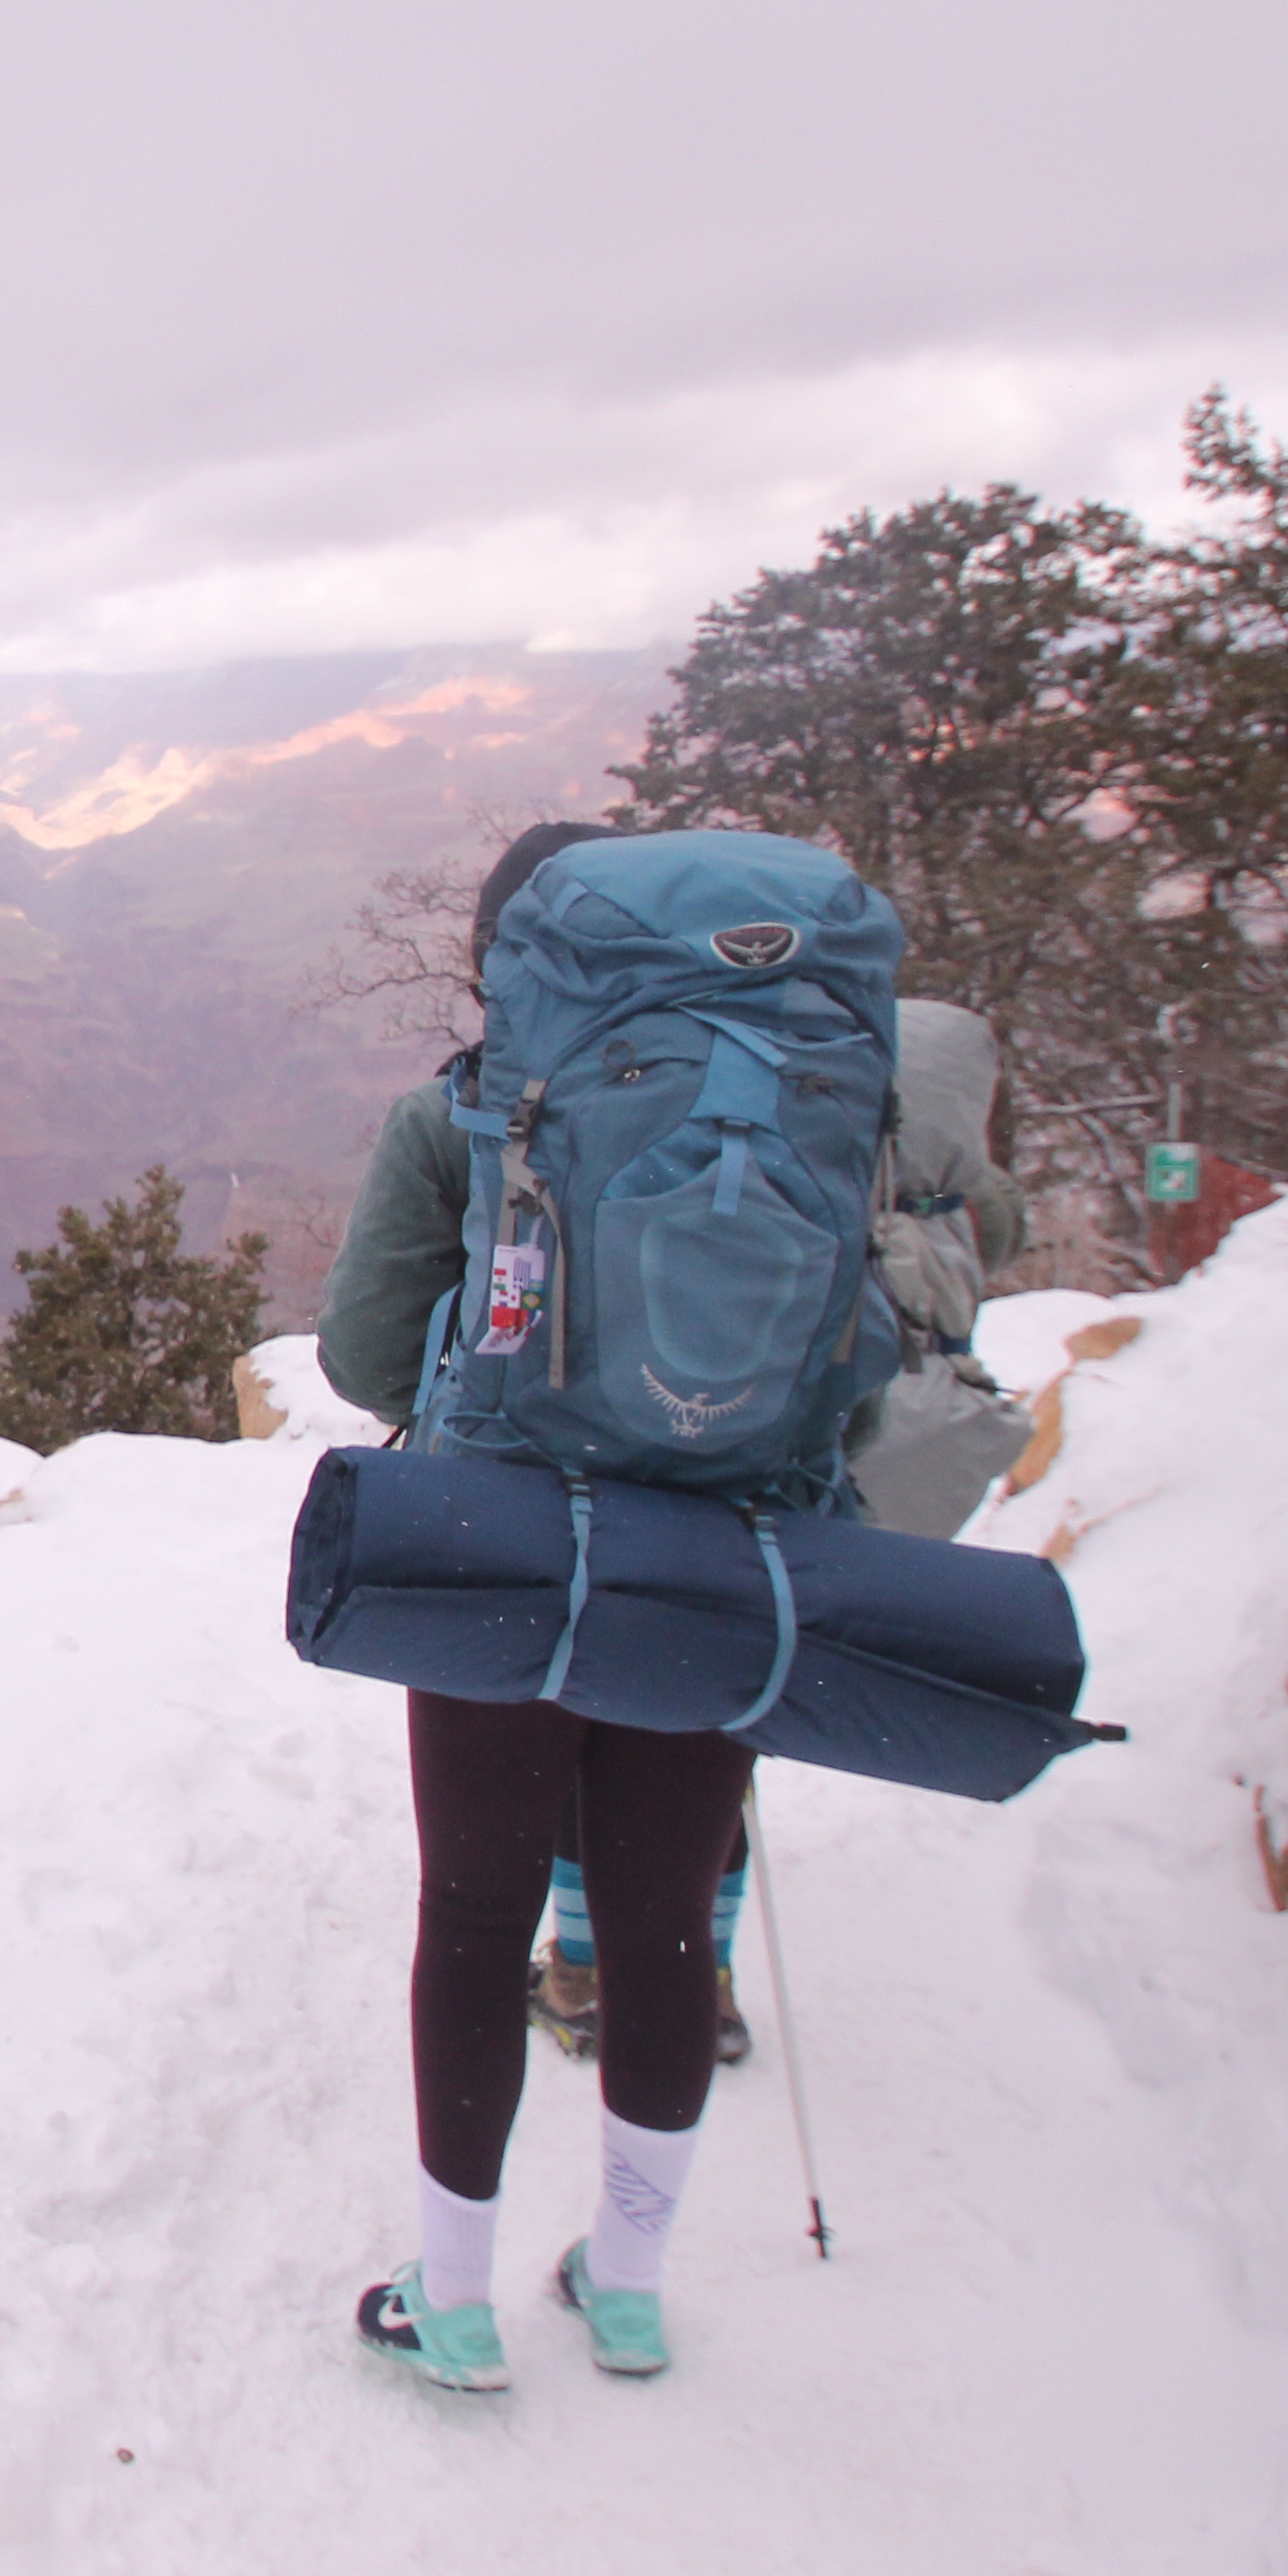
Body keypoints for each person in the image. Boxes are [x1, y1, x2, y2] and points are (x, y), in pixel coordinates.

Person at [311, 819, 899, 2392]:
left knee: (474, 1916)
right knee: (653, 1926)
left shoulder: (459, 1118)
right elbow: (854, 1370)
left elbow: (363, 1360)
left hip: (501, 1551)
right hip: (714, 1562)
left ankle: (451, 2301)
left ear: (509, 965)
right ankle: (624, 2287)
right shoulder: (808, 1097)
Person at [520, 989, 1030, 2066]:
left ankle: (579, 1968)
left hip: (670, 1437)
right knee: (719, 1727)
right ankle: (702, 1977)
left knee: (596, 1709)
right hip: (803, 1469)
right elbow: (1006, 1231)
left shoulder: (743, 1092)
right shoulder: (927, 1155)